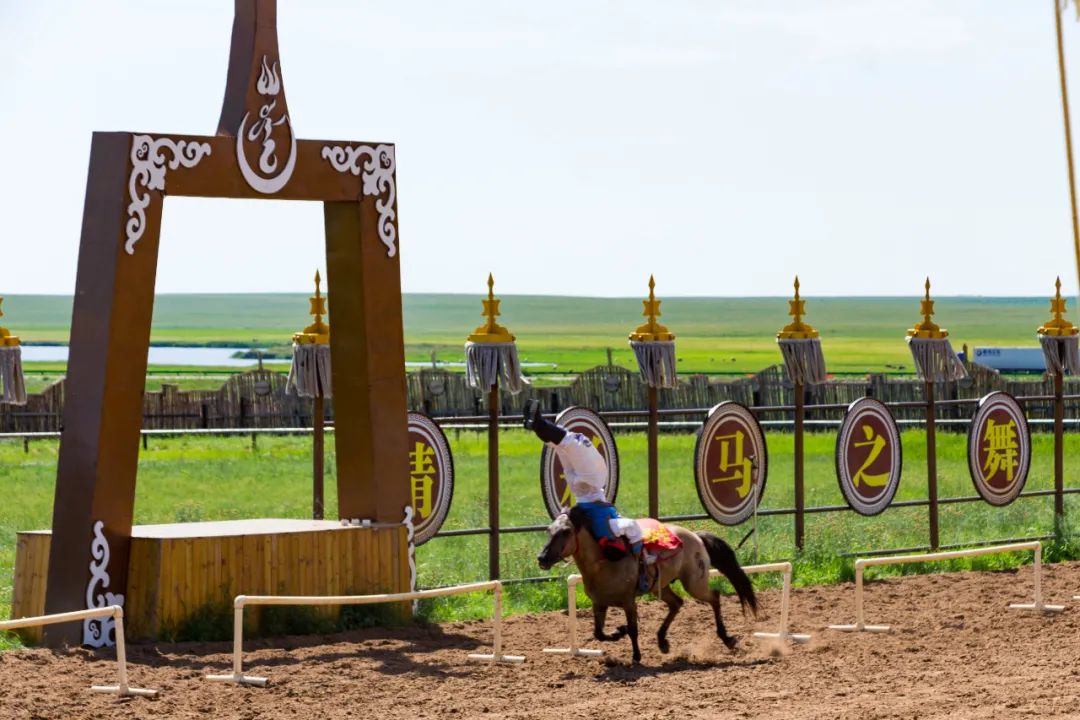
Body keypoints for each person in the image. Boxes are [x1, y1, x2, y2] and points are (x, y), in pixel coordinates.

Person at [524, 399, 652, 592]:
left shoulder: (598, 526)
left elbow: (631, 527)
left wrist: (636, 544)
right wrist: (641, 556)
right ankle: (538, 425)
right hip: (584, 488)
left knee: (568, 443)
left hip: (587, 489)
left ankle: (538, 425)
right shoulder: (605, 527)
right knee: (564, 445)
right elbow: (631, 526)